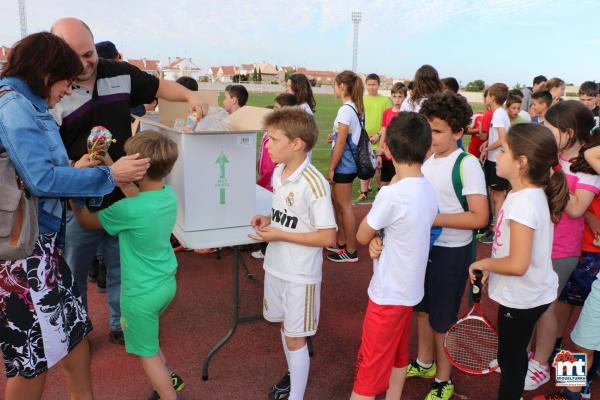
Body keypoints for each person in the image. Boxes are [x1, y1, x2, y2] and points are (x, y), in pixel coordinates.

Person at [0, 31, 149, 400]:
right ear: (47, 73)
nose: (70, 90)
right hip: (25, 254)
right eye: (68, 80)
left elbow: (41, 171)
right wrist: (109, 175)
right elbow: (41, 178)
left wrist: (77, 167)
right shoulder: (15, 106)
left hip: (42, 245)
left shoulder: (28, 102)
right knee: (32, 358)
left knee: (74, 330)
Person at [50, 17, 208, 345]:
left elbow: (158, 87)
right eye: (75, 56)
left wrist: (190, 97)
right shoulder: (54, 90)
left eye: (89, 52)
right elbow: (47, 159)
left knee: (123, 268)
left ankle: (121, 324)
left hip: (124, 192)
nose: (86, 62)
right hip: (79, 195)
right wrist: (77, 167)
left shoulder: (118, 72)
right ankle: (75, 328)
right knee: (73, 271)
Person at [70, 131, 184, 400]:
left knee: (146, 354)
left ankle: (169, 394)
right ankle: (168, 379)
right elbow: (133, 191)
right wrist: (109, 161)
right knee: (150, 342)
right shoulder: (166, 195)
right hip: (165, 284)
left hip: (139, 296)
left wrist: (73, 194)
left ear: (138, 171)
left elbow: (87, 221)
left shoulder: (127, 211)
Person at [469, 123, 570, 400]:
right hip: (529, 292)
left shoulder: (524, 202)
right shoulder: (523, 194)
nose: (497, 156)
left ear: (521, 163)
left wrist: (483, 265)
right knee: (513, 357)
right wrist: (494, 265)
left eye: (503, 151)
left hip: (522, 297)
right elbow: (510, 250)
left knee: (511, 363)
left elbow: (517, 264)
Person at [405, 92, 489, 400]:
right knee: (423, 311)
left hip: (451, 253)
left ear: (458, 131)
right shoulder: (427, 159)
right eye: (428, 128)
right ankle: (425, 362)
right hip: (424, 249)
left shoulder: (467, 165)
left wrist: (433, 217)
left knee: (442, 319)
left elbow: (479, 217)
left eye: (438, 130)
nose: (431, 135)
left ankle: (444, 380)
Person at [249, 108, 337, 400]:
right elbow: (284, 214)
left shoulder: (315, 184)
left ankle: (296, 396)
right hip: (276, 266)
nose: (268, 145)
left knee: (296, 335)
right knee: (287, 329)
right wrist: (267, 220)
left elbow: (328, 236)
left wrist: (279, 234)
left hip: (300, 274)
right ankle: (292, 378)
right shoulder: (278, 171)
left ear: (297, 143)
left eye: (273, 139)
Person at [350, 112, 438, 400]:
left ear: (386, 150)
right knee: (399, 358)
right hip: (408, 293)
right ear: (428, 150)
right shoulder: (427, 188)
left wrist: (375, 233)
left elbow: (361, 236)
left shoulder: (391, 195)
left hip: (388, 296)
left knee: (368, 372)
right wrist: (380, 237)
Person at [525, 101, 600, 391]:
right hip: (573, 251)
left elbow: (577, 208)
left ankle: (572, 386)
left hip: (581, 255)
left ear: (568, 132)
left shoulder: (584, 165)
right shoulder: (560, 159)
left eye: (550, 127)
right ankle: (569, 384)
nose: (544, 131)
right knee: (571, 325)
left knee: (580, 334)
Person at [251, 93, 298, 260]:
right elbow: (264, 155)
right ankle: (268, 243)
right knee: (270, 212)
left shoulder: (287, 136)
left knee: (280, 211)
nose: (274, 113)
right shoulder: (270, 134)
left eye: (277, 109)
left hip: (272, 180)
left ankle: (269, 247)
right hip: (268, 178)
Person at [326, 70, 364, 263]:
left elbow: (342, 142)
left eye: (334, 84)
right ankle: (342, 243)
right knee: (341, 206)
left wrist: (331, 168)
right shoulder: (354, 107)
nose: (333, 88)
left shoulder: (346, 109)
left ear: (342, 86)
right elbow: (343, 137)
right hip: (349, 164)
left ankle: (350, 251)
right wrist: (334, 138)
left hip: (344, 166)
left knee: (344, 207)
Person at [479, 83, 510, 244]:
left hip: (496, 160)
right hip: (494, 158)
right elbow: (496, 137)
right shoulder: (499, 113)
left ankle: (498, 231)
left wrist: (487, 148)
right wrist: (487, 145)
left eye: (488, 95)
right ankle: (497, 227)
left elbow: (502, 139)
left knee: (498, 197)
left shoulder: (498, 114)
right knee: (495, 196)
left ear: (492, 97)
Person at [358, 73, 392, 201]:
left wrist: (379, 135)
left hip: (381, 139)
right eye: (369, 85)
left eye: (374, 84)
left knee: (378, 168)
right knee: (364, 165)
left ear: (378, 85)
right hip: (364, 139)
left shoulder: (385, 101)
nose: (372, 87)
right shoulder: (362, 100)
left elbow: (388, 122)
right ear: (366, 85)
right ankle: (364, 191)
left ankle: (380, 188)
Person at [378, 82, 406, 186]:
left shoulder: (406, 113)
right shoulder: (387, 112)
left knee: (397, 184)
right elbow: (384, 132)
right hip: (386, 154)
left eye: (400, 96)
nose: (397, 99)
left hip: (399, 156)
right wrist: (380, 151)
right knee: (384, 183)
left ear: (405, 97)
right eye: (394, 96)